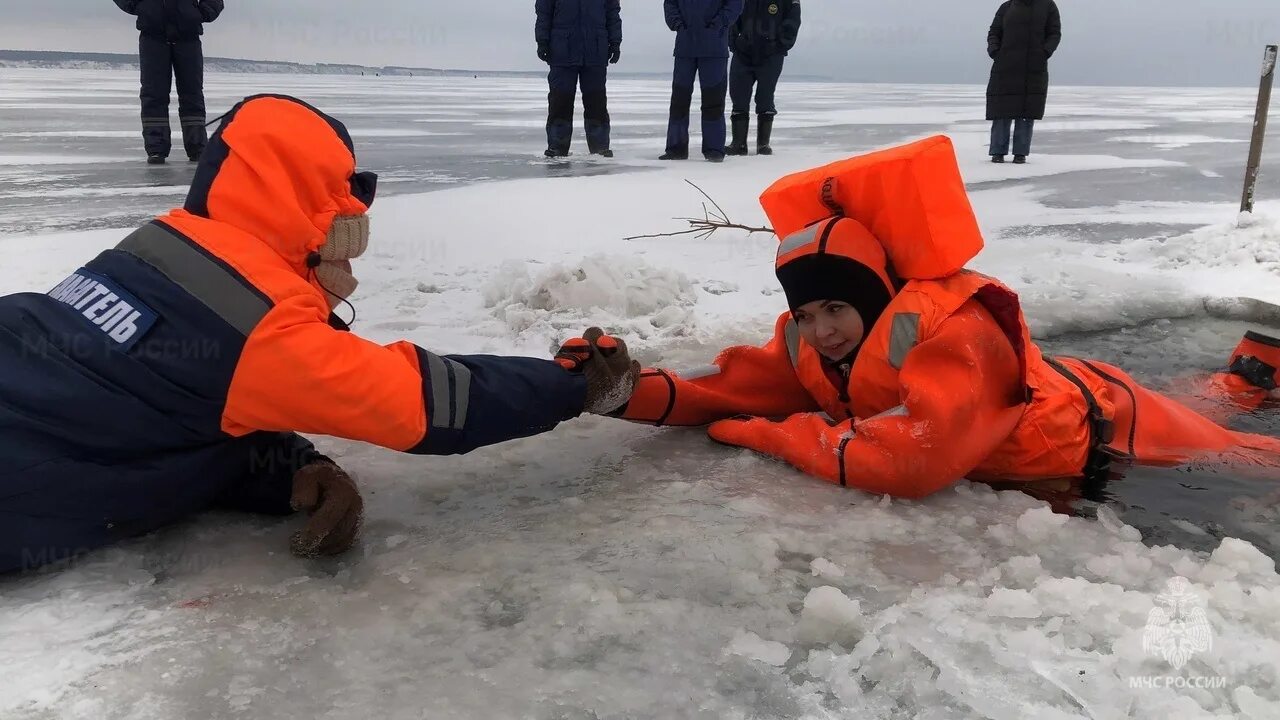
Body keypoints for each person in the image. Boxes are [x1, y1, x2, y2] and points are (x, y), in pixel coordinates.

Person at [0, 94, 641, 574]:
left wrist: (289, 469)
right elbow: (424, 403)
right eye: (342, 247)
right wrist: (573, 384)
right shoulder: (257, 323)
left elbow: (169, 406)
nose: (347, 272)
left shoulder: (161, 248)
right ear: (315, 223)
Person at [574, 136, 1280, 499]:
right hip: (1072, 390)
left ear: (877, 300)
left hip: (1105, 420)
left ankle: (1249, 378)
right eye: (808, 312)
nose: (822, 330)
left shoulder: (952, 333)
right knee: (1210, 402)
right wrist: (629, 392)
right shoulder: (809, 343)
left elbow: (914, 460)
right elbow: (734, 388)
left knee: (1244, 453)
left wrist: (778, 437)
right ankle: (1249, 375)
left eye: (838, 308)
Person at [113, 0, 224, 164]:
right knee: (153, 93)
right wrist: (140, 7)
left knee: (192, 93)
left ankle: (197, 147)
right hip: (153, 36)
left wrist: (201, 13)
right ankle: (156, 148)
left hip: (188, 36)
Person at [535, 0, 623, 158]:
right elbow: (543, 12)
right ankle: (557, 147)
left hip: (595, 51)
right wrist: (543, 41)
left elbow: (613, 13)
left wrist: (615, 42)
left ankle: (600, 147)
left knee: (596, 102)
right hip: (562, 50)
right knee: (560, 101)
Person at [661, 0, 745, 163]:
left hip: (714, 48)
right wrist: (677, 23)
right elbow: (670, 4)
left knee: (713, 101)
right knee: (679, 100)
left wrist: (719, 23)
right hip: (685, 47)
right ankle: (676, 148)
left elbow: (735, 5)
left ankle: (714, 149)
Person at [986, 0, 1061, 164]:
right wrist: (995, 51)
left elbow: (1054, 33)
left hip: (1033, 67)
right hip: (1005, 65)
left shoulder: (1047, 6)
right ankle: (997, 151)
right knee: (1001, 109)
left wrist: (1043, 52)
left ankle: (1020, 153)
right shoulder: (1007, 7)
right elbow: (994, 32)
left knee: (1026, 110)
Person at [726, 0, 802, 157]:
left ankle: (763, 144)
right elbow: (731, 14)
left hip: (771, 54)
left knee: (765, 97)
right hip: (743, 52)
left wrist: (780, 44)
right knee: (738, 96)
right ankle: (738, 144)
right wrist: (734, 42)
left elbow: (793, 19)